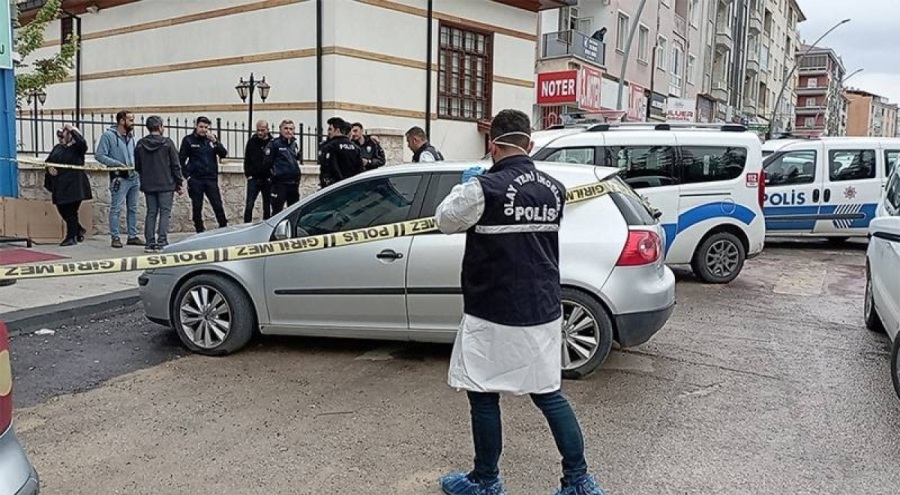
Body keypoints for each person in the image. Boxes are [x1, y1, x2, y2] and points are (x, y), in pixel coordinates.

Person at [434, 109, 606, 495]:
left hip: (492, 309)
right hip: (542, 307)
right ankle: (578, 482)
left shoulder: (483, 188)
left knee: (483, 393)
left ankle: (485, 480)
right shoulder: (554, 188)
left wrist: (463, 188)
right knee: (548, 394)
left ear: (492, 145)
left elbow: (445, 221)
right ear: (529, 143)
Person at [134, 116, 185, 253]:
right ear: (160, 127)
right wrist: (179, 182)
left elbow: (137, 165)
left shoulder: (140, 144)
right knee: (165, 213)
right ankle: (162, 241)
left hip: (148, 183)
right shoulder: (167, 143)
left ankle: (149, 242)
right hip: (166, 183)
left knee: (151, 213)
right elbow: (175, 164)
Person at [95, 109, 142, 248]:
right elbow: (100, 155)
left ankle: (132, 235)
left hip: (133, 176)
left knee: (133, 208)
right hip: (119, 177)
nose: (133, 123)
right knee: (116, 208)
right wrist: (116, 163)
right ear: (122, 121)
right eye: (131, 120)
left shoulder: (131, 137)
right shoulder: (108, 136)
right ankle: (115, 237)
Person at [43, 124, 91, 247]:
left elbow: (82, 142)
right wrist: (49, 167)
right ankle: (78, 229)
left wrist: (71, 129)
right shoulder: (58, 148)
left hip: (75, 185)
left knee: (70, 211)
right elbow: (48, 161)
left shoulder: (77, 148)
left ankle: (71, 237)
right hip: (60, 186)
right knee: (62, 209)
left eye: (65, 133)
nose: (62, 135)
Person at [179, 116, 228, 233]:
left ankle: (224, 227)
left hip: (210, 178)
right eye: (201, 127)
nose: (203, 130)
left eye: (206, 127)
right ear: (196, 126)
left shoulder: (211, 140)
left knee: (217, 204)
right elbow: (181, 160)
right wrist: (188, 176)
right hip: (196, 179)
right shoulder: (188, 140)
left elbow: (223, 154)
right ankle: (199, 230)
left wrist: (216, 142)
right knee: (197, 206)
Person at [264, 119, 302, 215]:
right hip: (279, 184)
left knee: (294, 212)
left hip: (293, 184)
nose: (288, 131)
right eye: (285, 128)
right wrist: (274, 176)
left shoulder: (294, 144)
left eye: (291, 129)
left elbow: (296, 160)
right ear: (280, 130)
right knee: (277, 212)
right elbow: (267, 163)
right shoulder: (274, 144)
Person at [318, 117, 363, 188]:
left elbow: (328, 168)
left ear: (337, 130)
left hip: (335, 187)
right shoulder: (356, 148)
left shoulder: (330, 146)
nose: (328, 132)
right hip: (353, 186)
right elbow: (360, 170)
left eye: (330, 129)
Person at [243, 119, 273, 222]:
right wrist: (249, 174)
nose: (260, 132)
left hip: (267, 179)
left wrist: (271, 176)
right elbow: (247, 159)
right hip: (254, 179)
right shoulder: (252, 142)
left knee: (267, 206)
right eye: (258, 130)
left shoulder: (272, 143)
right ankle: (246, 226)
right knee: (249, 206)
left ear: (267, 130)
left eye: (262, 130)